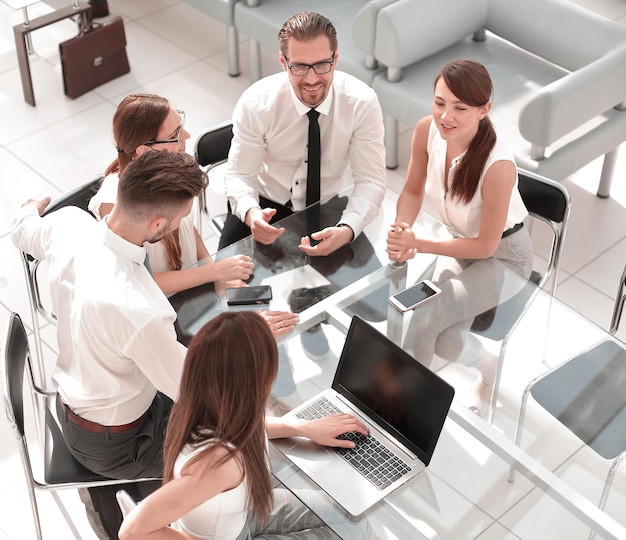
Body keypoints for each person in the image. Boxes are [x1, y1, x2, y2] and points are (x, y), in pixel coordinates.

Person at [12, 151, 298, 539]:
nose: (182, 225)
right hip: (118, 442)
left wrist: (29, 209)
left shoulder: (70, 224)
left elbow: (24, 228)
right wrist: (246, 339)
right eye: (181, 219)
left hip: (85, 403)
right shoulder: (138, 309)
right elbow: (201, 394)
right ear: (159, 223)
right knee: (237, 457)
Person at [118, 311, 370, 540]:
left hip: (242, 516)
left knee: (351, 515)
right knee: (355, 530)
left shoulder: (200, 400)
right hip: (231, 532)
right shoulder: (219, 462)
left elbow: (250, 426)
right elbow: (132, 531)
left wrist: (304, 428)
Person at [386, 59, 533, 416]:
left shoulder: (498, 166)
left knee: (423, 320)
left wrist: (418, 244)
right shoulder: (426, 130)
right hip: (458, 243)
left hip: (504, 257)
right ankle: (489, 367)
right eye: (439, 103)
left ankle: (406, 410)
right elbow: (411, 189)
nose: (445, 116)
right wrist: (403, 229)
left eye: (460, 108)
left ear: (484, 110)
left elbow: (486, 246)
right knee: (440, 334)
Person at [219, 11, 386, 257]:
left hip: (329, 206)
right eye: (299, 66)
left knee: (368, 293)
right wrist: (252, 214)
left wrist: (348, 228)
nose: (311, 79)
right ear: (283, 62)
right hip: (265, 203)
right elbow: (240, 174)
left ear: (336, 58)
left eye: (321, 65)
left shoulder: (361, 102)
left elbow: (371, 180)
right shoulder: (257, 103)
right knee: (224, 286)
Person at [89, 93, 254, 296]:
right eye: (175, 134)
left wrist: (217, 276)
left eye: (181, 125)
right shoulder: (116, 204)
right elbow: (140, 280)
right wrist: (213, 271)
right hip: (159, 302)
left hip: (193, 284)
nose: (187, 136)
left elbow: (186, 225)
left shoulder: (170, 170)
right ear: (144, 151)